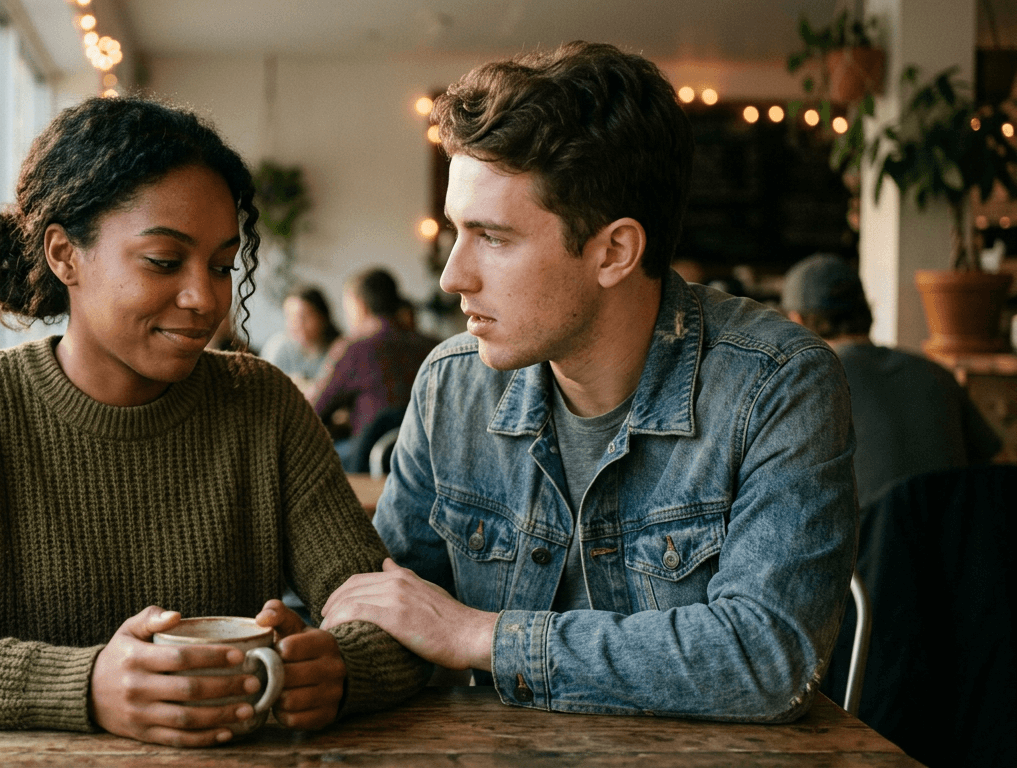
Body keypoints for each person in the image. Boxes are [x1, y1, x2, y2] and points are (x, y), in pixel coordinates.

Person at [0, 96, 429, 748]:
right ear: (64, 255)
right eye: (164, 260)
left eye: (222, 266)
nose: (204, 299)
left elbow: (393, 617)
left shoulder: (263, 406)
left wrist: (338, 668)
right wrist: (84, 685)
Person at [320, 42, 858, 722]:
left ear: (615, 252)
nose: (453, 275)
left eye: (492, 237)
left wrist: (479, 636)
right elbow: (397, 609)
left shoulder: (777, 387)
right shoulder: (452, 386)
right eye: (456, 232)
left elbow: (765, 659)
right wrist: (318, 660)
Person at [781, 253, 1000, 507]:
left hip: (864, 532)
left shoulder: (804, 384)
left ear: (796, 321)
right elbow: (993, 467)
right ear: (867, 310)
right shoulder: (938, 374)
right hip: (951, 530)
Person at [311, 268, 436, 464]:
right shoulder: (433, 346)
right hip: (428, 459)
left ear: (360, 305)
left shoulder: (354, 349)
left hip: (369, 462)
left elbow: (313, 411)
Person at [260, 285, 341, 391]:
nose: (298, 324)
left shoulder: (340, 350)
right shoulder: (277, 347)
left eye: (305, 316)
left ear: (322, 317)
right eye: (291, 317)